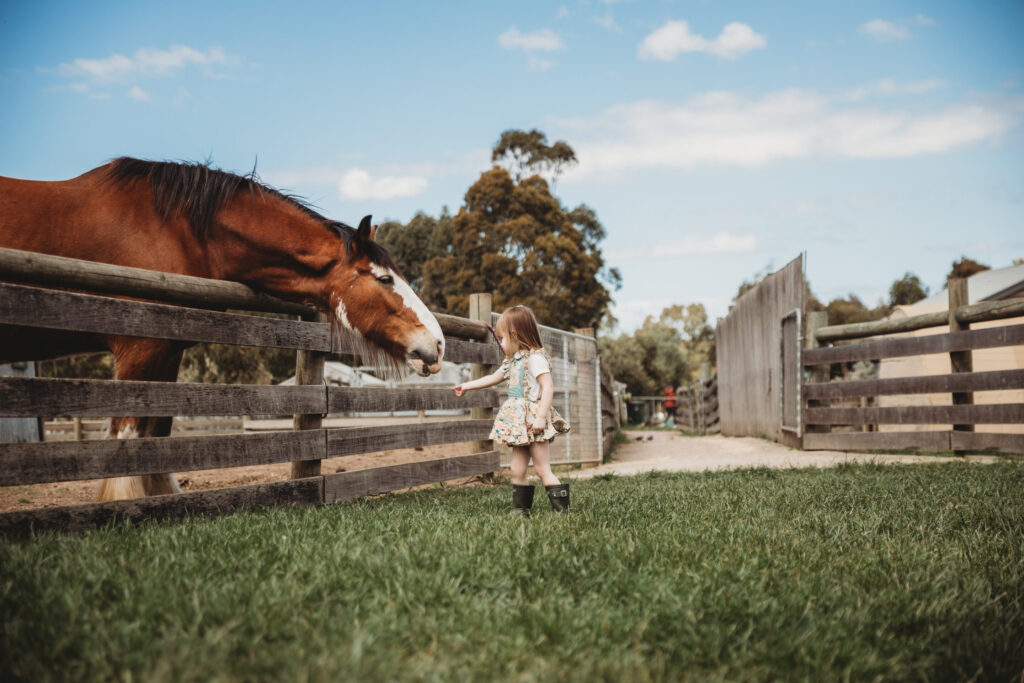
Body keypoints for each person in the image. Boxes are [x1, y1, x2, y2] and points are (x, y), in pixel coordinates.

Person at [453, 305, 570, 517]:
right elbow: (493, 378)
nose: (501, 344)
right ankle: (520, 509)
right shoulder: (512, 361)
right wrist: (467, 386)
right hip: (518, 424)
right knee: (517, 469)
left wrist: (541, 417)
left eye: (502, 338)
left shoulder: (535, 359)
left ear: (515, 335)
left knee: (543, 469)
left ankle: (562, 510)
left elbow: (548, 387)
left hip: (534, 421)